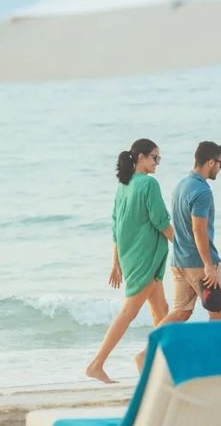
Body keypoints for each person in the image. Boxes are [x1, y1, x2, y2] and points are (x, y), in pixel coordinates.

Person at [85, 139, 173, 384]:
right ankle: (96, 364)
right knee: (128, 312)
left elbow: (117, 226)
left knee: (162, 312)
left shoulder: (124, 186)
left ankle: (159, 365)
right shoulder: (148, 184)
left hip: (133, 255)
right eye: (155, 157)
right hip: (144, 257)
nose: (157, 163)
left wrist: (116, 262)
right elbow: (161, 220)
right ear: (142, 157)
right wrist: (185, 244)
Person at [161, 141, 221, 324]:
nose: (220, 168)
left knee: (181, 313)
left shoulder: (180, 186)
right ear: (211, 162)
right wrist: (208, 264)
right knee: (217, 313)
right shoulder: (202, 191)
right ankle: (213, 354)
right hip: (199, 264)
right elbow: (198, 229)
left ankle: (148, 350)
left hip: (179, 262)